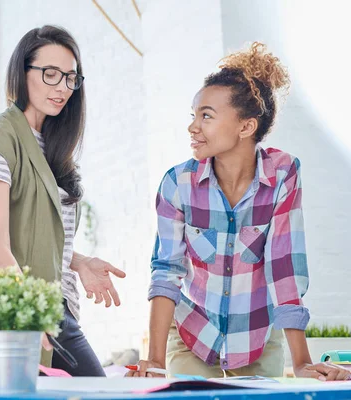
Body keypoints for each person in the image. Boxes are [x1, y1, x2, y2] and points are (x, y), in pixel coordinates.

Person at [128, 42, 351, 381]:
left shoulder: (282, 175)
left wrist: (303, 362)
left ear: (246, 127)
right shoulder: (178, 184)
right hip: (193, 337)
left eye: (206, 116)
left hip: (257, 339)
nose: (193, 127)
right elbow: (166, 271)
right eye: (193, 115)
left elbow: (284, 267)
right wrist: (155, 361)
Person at [0, 25, 126, 377]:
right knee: (97, 391)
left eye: (70, 78)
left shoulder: (50, 145)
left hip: (54, 307)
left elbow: (30, 230)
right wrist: (31, 314)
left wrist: (76, 260)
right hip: (22, 315)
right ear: (22, 72)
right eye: (50, 74)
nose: (62, 87)